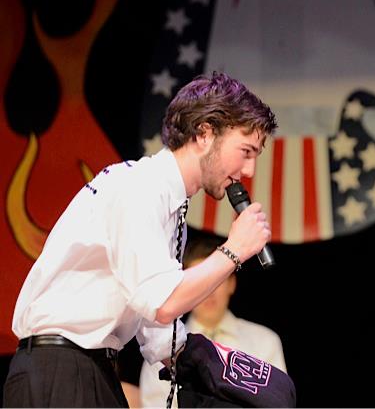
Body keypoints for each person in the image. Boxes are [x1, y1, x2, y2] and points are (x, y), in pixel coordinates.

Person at [3, 71, 277, 408]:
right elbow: (161, 303)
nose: (249, 170)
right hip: (59, 370)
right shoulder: (140, 188)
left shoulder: (168, 206)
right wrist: (234, 249)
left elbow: (156, 331)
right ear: (205, 133)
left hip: (92, 367)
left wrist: (221, 371)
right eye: (246, 150)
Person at [138, 227, 287, 408]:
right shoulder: (161, 350)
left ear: (231, 284)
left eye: (217, 281)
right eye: (199, 284)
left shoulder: (265, 341)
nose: (209, 293)